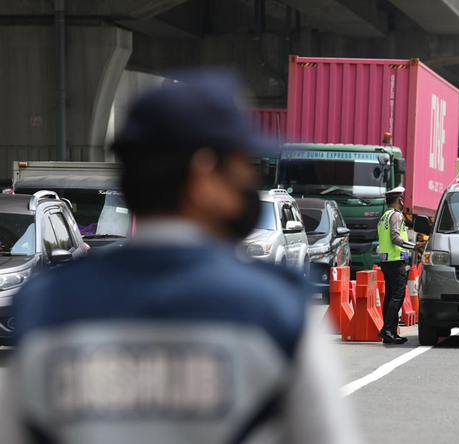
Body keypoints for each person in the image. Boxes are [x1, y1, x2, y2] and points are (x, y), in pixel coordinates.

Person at [0, 72, 361, 444]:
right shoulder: (276, 310)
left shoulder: (47, 307)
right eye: (242, 165)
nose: (248, 182)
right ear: (203, 175)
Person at [377, 187, 424, 344]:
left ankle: (390, 331)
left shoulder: (384, 215)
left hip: (387, 261)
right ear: (399, 200)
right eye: (402, 199)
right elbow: (395, 238)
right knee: (397, 296)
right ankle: (388, 330)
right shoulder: (396, 215)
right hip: (396, 261)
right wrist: (414, 246)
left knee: (391, 296)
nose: (403, 201)